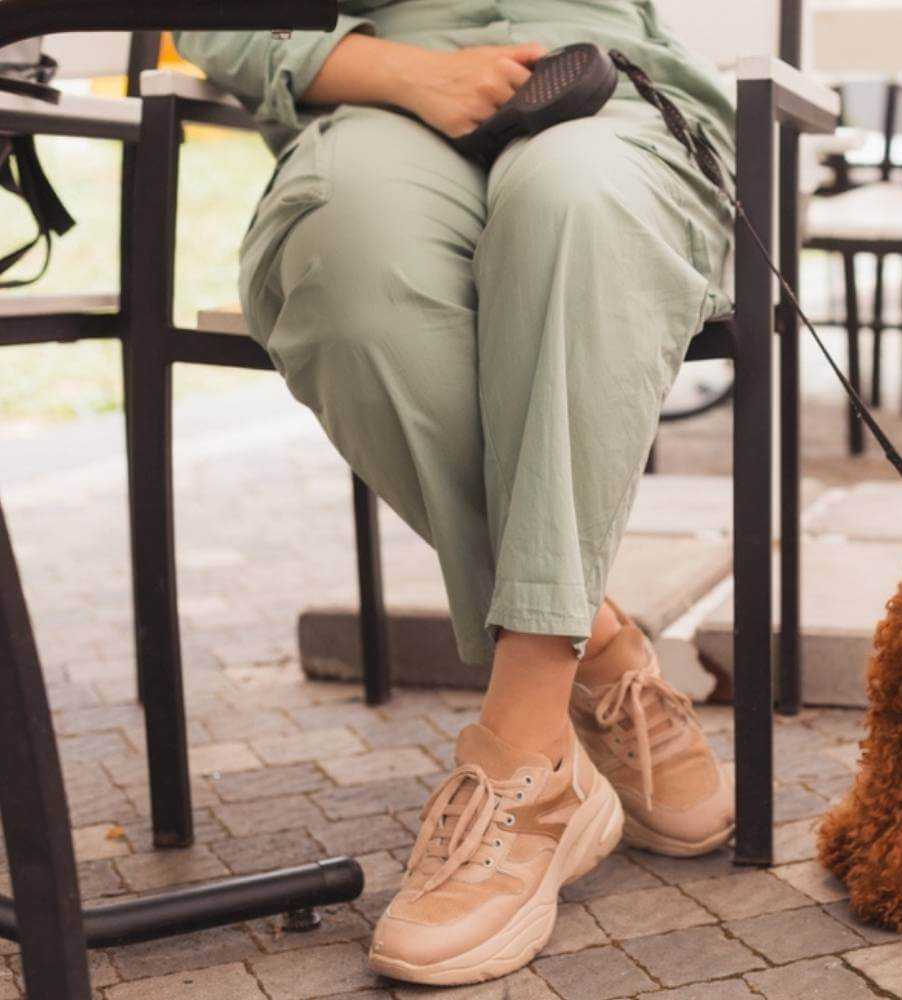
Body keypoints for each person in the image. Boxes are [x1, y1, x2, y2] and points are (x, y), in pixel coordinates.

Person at [175, 1, 735, 985]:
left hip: (601, 81)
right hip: (387, 94)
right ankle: (595, 653)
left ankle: (525, 752)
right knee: (350, 274)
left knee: (573, 204)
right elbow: (212, 18)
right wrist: (396, 70)